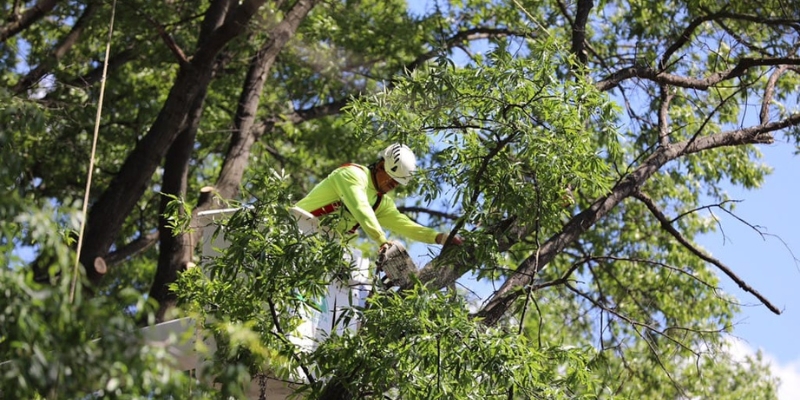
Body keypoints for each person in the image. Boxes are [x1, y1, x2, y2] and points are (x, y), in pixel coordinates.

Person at [293, 143, 462, 252]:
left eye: (398, 183)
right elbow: (360, 206)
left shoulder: (380, 202)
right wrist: (381, 240)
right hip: (294, 229)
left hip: (320, 247)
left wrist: (438, 237)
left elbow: (405, 226)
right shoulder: (352, 174)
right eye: (393, 179)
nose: (394, 185)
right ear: (381, 166)